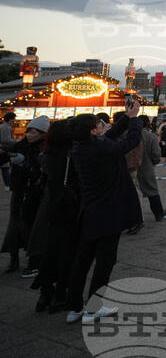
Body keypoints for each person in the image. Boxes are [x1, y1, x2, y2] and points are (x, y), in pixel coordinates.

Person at [65, 104, 143, 323]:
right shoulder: (98, 148)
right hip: (108, 212)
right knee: (105, 261)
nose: (102, 125)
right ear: (92, 131)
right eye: (98, 124)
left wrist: (126, 117)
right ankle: (93, 308)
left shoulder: (81, 147)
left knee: (83, 260)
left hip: (90, 211)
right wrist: (135, 119)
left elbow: (111, 135)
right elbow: (131, 142)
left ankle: (74, 307)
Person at [32, 119, 80, 313]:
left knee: (51, 249)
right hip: (69, 206)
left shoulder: (46, 154)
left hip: (52, 207)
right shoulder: (71, 155)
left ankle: (45, 292)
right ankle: (60, 294)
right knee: (68, 252)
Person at [2, 115, 48, 276]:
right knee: (14, 226)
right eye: (29, 131)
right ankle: (13, 259)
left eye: (34, 132)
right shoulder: (21, 145)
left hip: (35, 194)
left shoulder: (45, 149)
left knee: (30, 227)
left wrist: (25, 164)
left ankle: (35, 261)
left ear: (43, 134)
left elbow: (42, 172)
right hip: (19, 191)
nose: (29, 135)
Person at [137, 115, 166, 222]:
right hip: (146, 167)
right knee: (152, 191)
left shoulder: (129, 135)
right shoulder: (150, 136)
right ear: (147, 123)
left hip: (131, 169)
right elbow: (156, 154)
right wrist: (154, 162)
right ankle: (158, 213)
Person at [1, 112, 15, 190]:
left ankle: (8, 185)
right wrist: (16, 141)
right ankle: (8, 185)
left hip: (3, 150)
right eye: (13, 119)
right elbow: (5, 140)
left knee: (5, 168)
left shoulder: (4, 126)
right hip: (3, 150)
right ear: (10, 119)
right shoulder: (6, 127)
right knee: (5, 168)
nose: (14, 121)